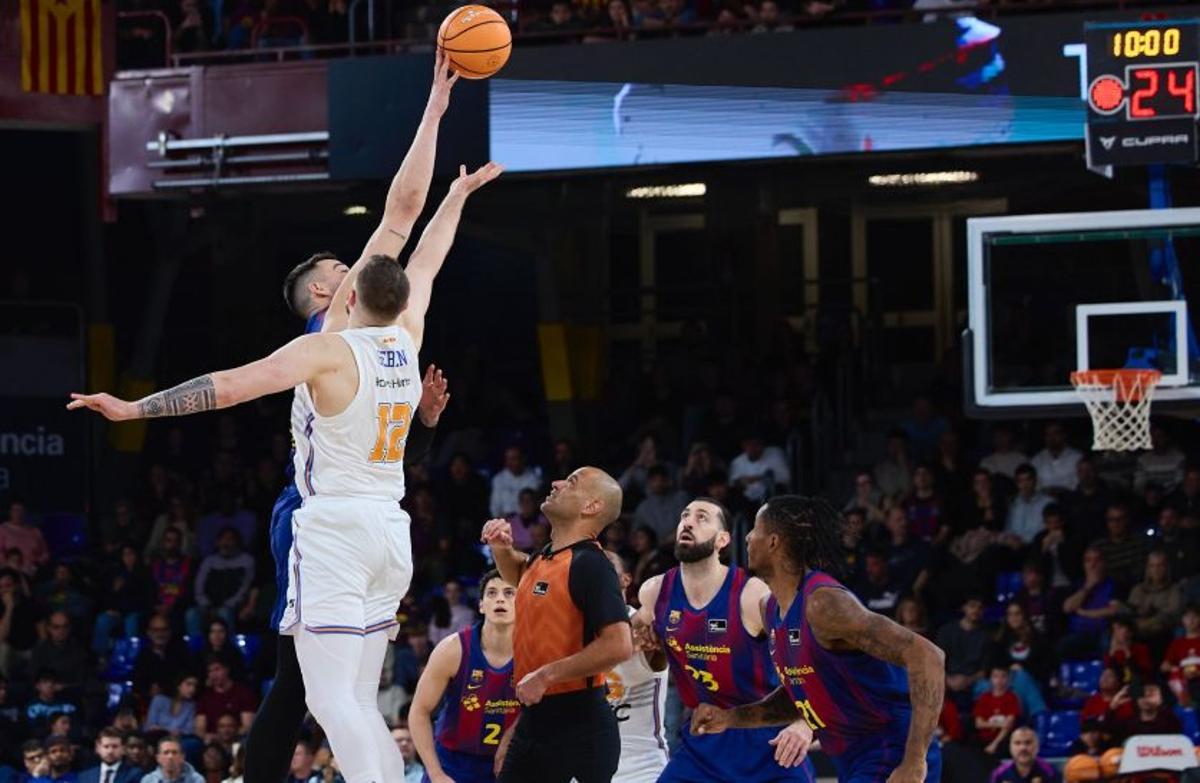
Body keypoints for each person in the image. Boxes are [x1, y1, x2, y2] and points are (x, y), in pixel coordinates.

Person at [70, 169, 501, 783]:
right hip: (390, 526)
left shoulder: (326, 347)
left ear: (348, 295)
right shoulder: (409, 336)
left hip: (333, 525)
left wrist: (137, 408)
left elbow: (227, 387)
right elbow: (422, 249)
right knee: (355, 697)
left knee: (329, 701)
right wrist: (454, 190)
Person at [693, 495, 945, 783]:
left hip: (890, 748)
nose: (748, 537)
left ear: (774, 542)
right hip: (851, 756)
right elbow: (801, 697)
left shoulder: (823, 604)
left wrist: (915, 761)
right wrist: (730, 718)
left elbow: (928, 656)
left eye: (755, 529)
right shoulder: (771, 609)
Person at [630, 499, 815, 783]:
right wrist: (645, 639)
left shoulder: (751, 595)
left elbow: (812, 662)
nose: (688, 522)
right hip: (704, 737)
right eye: (684, 515)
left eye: (702, 517)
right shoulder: (655, 592)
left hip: (769, 739)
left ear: (723, 540)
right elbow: (637, 638)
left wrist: (805, 724)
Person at [480, 467, 632, 783]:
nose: (556, 482)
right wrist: (501, 549)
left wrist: (547, 675)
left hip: (579, 727)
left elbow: (619, 644)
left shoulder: (592, 565)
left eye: (571, 482)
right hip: (535, 719)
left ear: (591, 507)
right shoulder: (546, 555)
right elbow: (524, 577)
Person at [409, 570, 517, 783]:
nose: (500, 599)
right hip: (453, 763)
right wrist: (436, 773)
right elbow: (419, 711)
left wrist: (510, 740)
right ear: (481, 605)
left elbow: (541, 710)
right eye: (492, 593)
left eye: (509, 593)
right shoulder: (452, 649)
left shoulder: (535, 652)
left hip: (507, 763)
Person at [602, 550, 668, 783]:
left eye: (606, 566)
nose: (597, 572)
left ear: (625, 580)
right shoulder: (572, 633)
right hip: (583, 764)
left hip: (642, 768)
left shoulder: (647, 626)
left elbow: (659, 656)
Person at [194, 658, 257, 740]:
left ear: (227, 670)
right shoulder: (205, 696)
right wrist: (210, 737)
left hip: (237, 738)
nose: (213, 674)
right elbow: (200, 729)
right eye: (210, 671)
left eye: (217, 669)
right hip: (212, 741)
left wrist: (226, 737)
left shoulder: (243, 693)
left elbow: (248, 726)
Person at [972, 665, 1021, 756]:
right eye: (996, 676)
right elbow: (978, 724)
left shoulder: (1012, 698)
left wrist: (994, 744)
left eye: (1003, 676)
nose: (999, 680)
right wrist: (1000, 724)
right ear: (990, 679)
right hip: (983, 739)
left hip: (1002, 740)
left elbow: (1008, 725)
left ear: (1008, 679)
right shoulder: (984, 698)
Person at [989, 727, 1060, 783]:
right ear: (1010, 747)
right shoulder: (999, 774)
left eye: (1028, 743)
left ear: (1037, 746)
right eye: (1017, 743)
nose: (1023, 748)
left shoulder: (1049, 772)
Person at [1163, 603, 1200, 706]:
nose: (1191, 620)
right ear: (1183, 620)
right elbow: (1165, 666)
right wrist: (1175, 669)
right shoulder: (1177, 643)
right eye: (1187, 617)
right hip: (1183, 682)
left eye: (1195, 617)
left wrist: (1197, 673)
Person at [78, 727, 142, 783]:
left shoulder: (133, 774)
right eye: (106, 746)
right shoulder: (85, 777)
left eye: (115, 746)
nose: (110, 751)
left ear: (123, 749)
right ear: (98, 748)